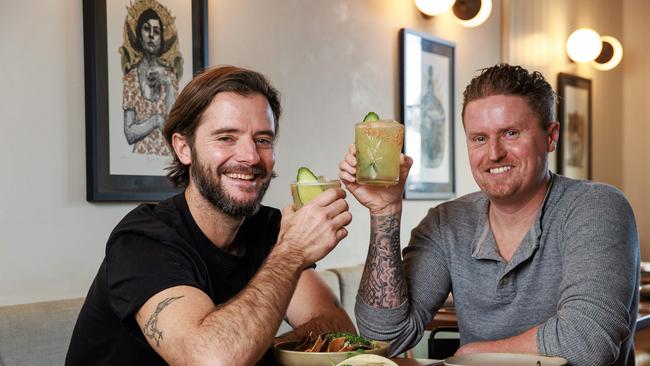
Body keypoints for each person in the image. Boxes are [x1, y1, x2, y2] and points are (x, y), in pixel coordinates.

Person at [339, 63, 639, 366]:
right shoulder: (446, 224)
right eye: (479, 138)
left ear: (551, 136)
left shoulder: (598, 207)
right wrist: (385, 212)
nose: (494, 153)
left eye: (510, 133)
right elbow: (385, 338)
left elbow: (588, 342)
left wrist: (473, 353)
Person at [67, 65, 355, 366]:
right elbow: (212, 360)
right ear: (184, 149)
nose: (251, 157)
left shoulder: (268, 229)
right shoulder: (143, 241)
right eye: (226, 138)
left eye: (263, 140)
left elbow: (338, 327)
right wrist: (292, 251)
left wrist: (256, 348)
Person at [122, 3, 180, 156]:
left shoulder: (171, 78)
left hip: (169, 162)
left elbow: (176, 129)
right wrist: (156, 121)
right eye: (147, 29)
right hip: (137, 161)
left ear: (161, 39)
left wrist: (167, 84)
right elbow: (129, 134)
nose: (152, 35)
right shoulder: (130, 78)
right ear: (139, 36)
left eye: (156, 31)